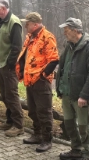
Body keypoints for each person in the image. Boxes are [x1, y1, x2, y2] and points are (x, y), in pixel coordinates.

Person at [56, 18, 89, 160]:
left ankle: (88, 155)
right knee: (69, 123)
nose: (64, 33)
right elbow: (63, 67)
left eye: (66, 30)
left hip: (81, 94)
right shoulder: (68, 45)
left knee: (84, 126)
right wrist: (60, 88)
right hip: (67, 92)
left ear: (75, 31)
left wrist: (85, 95)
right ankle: (76, 149)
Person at [16, 12, 59, 152]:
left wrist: (43, 75)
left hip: (41, 81)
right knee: (33, 110)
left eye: (27, 24)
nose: (25, 26)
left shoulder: (47, 37)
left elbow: (54, 59)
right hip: (29, 79)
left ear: (35, 24)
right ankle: (37, 134)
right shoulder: (30, 37)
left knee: (44, 111)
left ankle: (47, 139)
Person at [0, 0, 25, 137]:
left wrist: (10, 64)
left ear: (3, 8)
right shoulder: (1, 21)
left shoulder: (14, 22)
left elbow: (17, 47)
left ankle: (19, 125)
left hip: (8, 66)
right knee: (5, 95)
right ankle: (10, 120)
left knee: (12, 95)